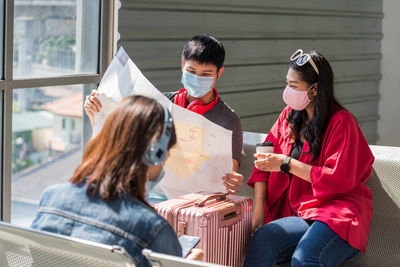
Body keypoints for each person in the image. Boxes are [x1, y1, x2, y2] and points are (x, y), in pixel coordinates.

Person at [31, 95, 203, 267]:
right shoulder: (152, 228)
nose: (166, 159)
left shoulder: (51, 197)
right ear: (154, 154)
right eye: (166, 152)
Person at [243, 49, 374, 267]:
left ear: (314, 89)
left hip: (338, 213)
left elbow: (338, 178)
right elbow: (262, 164)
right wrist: (258, 213)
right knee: (263, 238)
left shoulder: (342, 122)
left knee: (304, 258)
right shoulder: (288, 116)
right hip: (304, 213)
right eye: (287, 83)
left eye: (294, 86)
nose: (287, 91)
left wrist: (287, 164)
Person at [84, 34, 244, 195]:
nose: (197, 79)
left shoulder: (228, 120)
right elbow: (117, 141)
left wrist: (232, 181)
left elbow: (229, 172)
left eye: (206, 74)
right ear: (182, 65)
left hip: (193, 204)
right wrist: (96, 114)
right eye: (191, 71)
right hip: (146, 193)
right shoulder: (159, 102)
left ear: (219, 73)